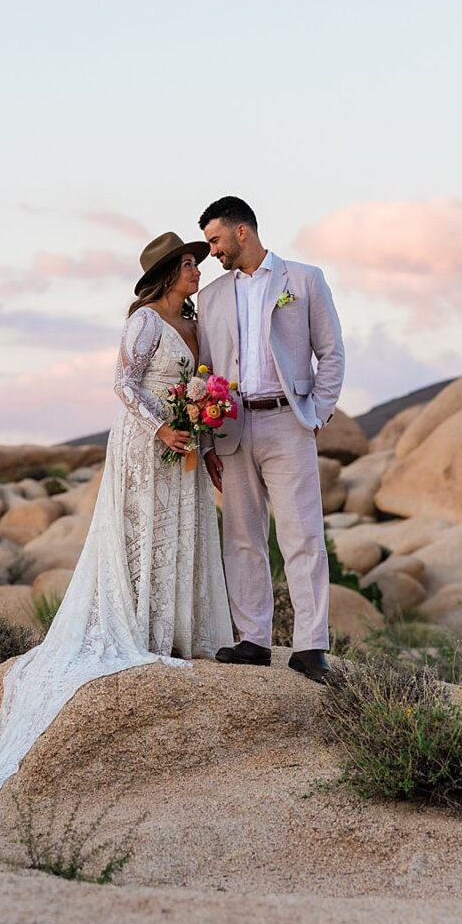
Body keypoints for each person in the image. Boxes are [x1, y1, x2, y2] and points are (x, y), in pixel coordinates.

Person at [0, 231, 234, 803]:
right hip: (144, 442)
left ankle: (173, 631)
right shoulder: (145, 322)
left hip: (184, 443)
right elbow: (123, 385)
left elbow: (197, 388)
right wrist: (162, 428)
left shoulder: (195, 326)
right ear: (167, 271)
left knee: (179, 533)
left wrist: (203, 444)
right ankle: (140, 628)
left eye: (196, 264)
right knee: (141, 532)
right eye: (187, 265)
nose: (197, 272)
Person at [194, 196, 346, 684]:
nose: (212, 251)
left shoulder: (303, 280)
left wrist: (316, 413)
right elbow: (207, 369)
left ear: (242, 232)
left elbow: (331, 352)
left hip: (288, 422)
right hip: (233, 426)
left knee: (302, 534)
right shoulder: (213, 297)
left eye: (215, 239)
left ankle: (310, 646)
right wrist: (209, 441)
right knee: (241, 536)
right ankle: (254, 639)